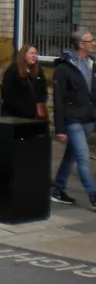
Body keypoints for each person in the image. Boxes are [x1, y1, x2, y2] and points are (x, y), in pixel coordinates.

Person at [50, 29, 96, 209]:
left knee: (71, 156)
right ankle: (93, 195)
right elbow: (58, 100)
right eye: (90, 41)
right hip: (73, 120)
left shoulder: (92, 64)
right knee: (83, 157)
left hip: (88, 119)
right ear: (81, 45)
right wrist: (60, 128)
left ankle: (57, 188)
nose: (93, 43)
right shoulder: (64, 68)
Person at [0, 44, 48, 120]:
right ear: (23, 55)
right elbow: (6, 92)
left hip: (33, 116)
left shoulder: (39, 71)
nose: (34, 56)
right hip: (14, 115)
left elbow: (43, 91)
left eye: (35, 53)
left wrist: (40, 103)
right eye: (31, 53)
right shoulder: (13, 70)